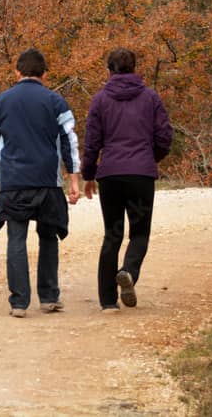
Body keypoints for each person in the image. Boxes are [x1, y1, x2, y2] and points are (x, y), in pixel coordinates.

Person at [0, 48, 81, 318]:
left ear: (17, 72)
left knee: (16, 238)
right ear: (45, 74)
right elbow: (69, 140)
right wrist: (73, 178)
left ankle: (19, 302)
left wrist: (0, 167)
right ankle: (49, 297)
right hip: (47, 182)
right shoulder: (55, 101)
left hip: (13, 181)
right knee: (48, 236)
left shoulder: (1, 102)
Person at [81, 48, 173, 312]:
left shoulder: (100, 100)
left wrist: (89, 174)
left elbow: (92, 142)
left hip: (109, 174)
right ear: (134, 68)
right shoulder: (150, 98)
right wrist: (150, 157)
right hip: (141, 173)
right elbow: (165, 136)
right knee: (140, 232)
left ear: (109, 70)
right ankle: (129, 271)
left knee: (112, 234)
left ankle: (108, 301)